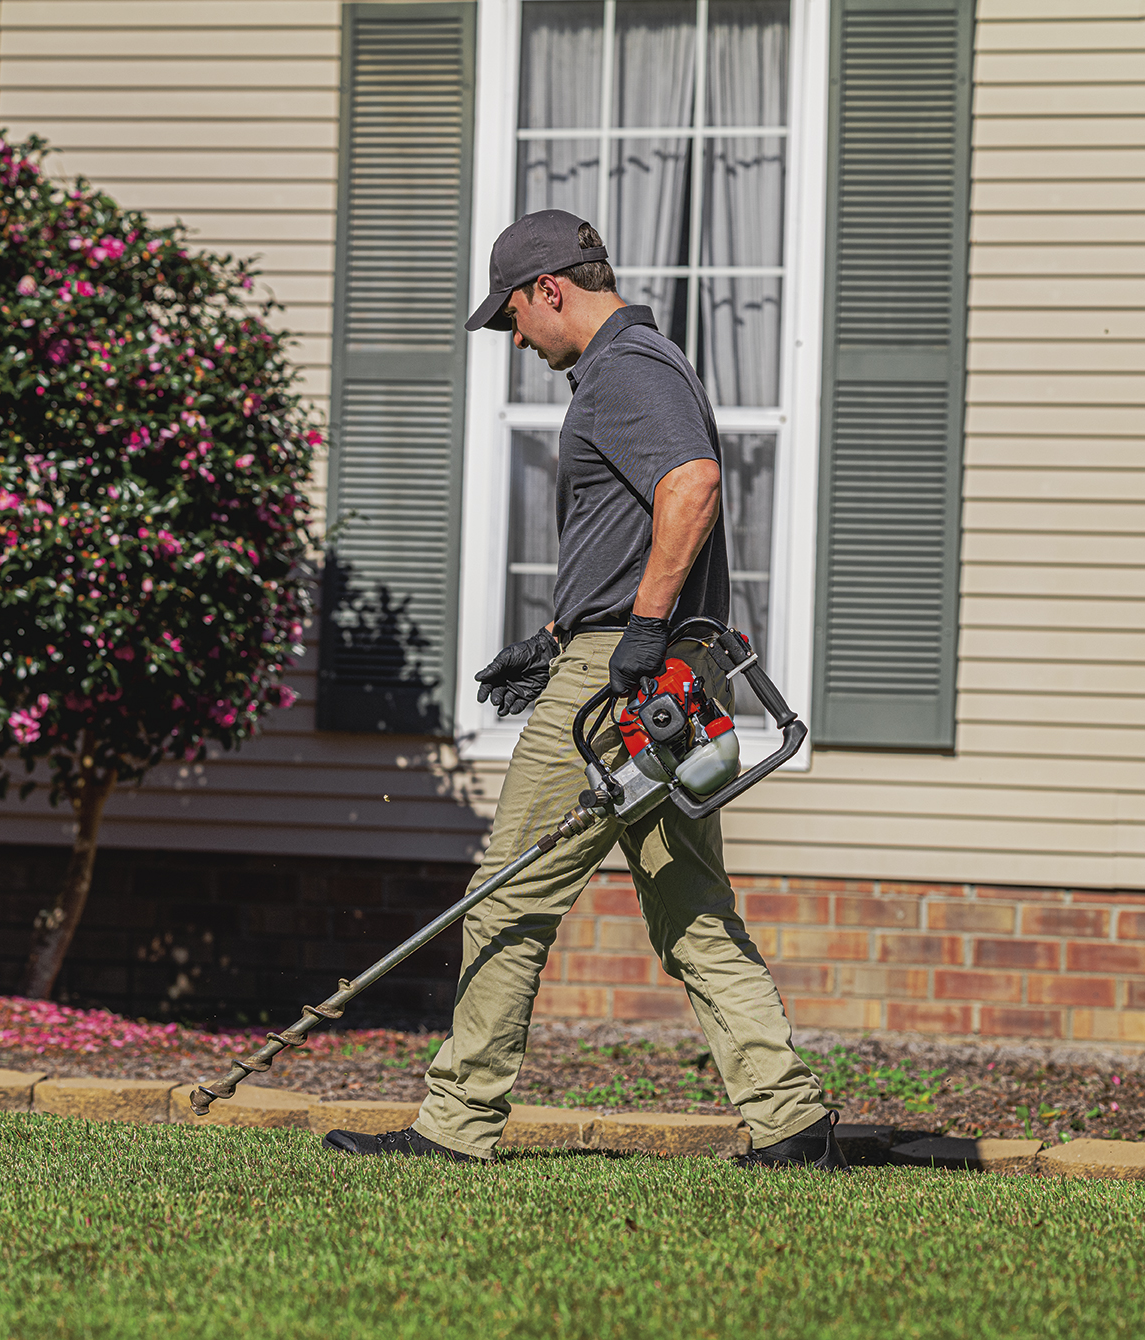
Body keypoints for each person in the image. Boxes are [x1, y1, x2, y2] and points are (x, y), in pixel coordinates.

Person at [324, 210, 842, 1169]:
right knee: (689, 903)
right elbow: (641, 522)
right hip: (649, 671)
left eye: (514, 316)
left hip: (625, 681)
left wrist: (630, 637)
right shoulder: (648, 361)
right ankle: (790, 1120)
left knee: (508, 890)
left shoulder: (624, 368)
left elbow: (690, 485)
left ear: (549, 289)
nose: (517, 340)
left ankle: (456, 1123)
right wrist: (558, 634)